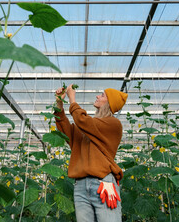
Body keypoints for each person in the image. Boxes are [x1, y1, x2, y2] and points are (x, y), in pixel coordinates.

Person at [54, 84, 128, 222]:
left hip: (103, 184)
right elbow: (67, 132)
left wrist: (72, 99)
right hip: (81, 186)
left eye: (102, 95)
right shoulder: (90, 128)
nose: (97, 96)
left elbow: (83, 121)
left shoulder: (113, 124)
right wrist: (59, 104)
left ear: (109, 102)